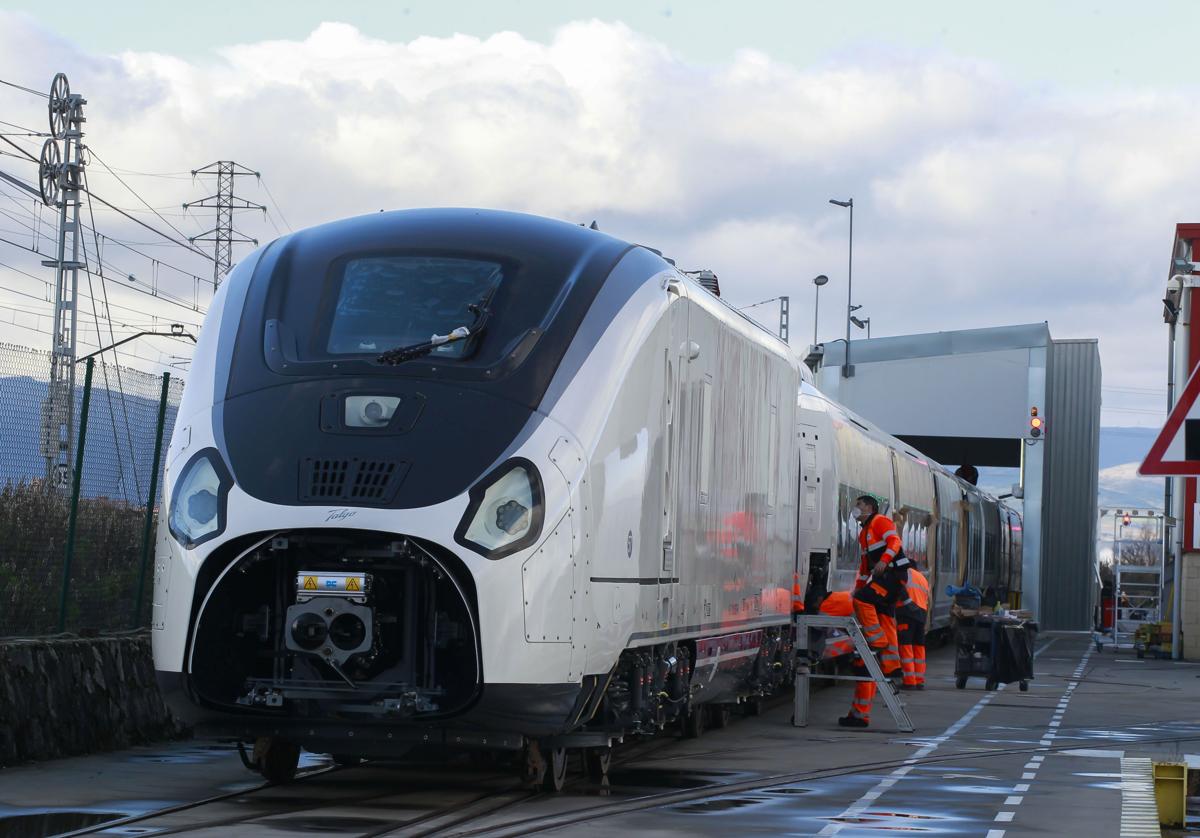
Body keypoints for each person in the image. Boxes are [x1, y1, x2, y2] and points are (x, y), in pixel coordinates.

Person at [842, 494, 911, 728]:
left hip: (893, 574)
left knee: (864, 601)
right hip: (887, 577)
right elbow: (864, 567)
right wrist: (857, 587)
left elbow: (895, 542)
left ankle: (876, 640)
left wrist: (884, 560)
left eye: (859, 505)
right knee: (884, 616)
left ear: (869, 507)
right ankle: (892, 664)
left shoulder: (880, 521)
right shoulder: (864, 533)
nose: (855, 508)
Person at [897, 563, 930, 690]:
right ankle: (919, 680)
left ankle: (909, 681)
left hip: (906, 613)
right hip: (921, 614)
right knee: (919, 647)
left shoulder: (906, 573)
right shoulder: (922, 578)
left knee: (906, 646)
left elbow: (899, 589)